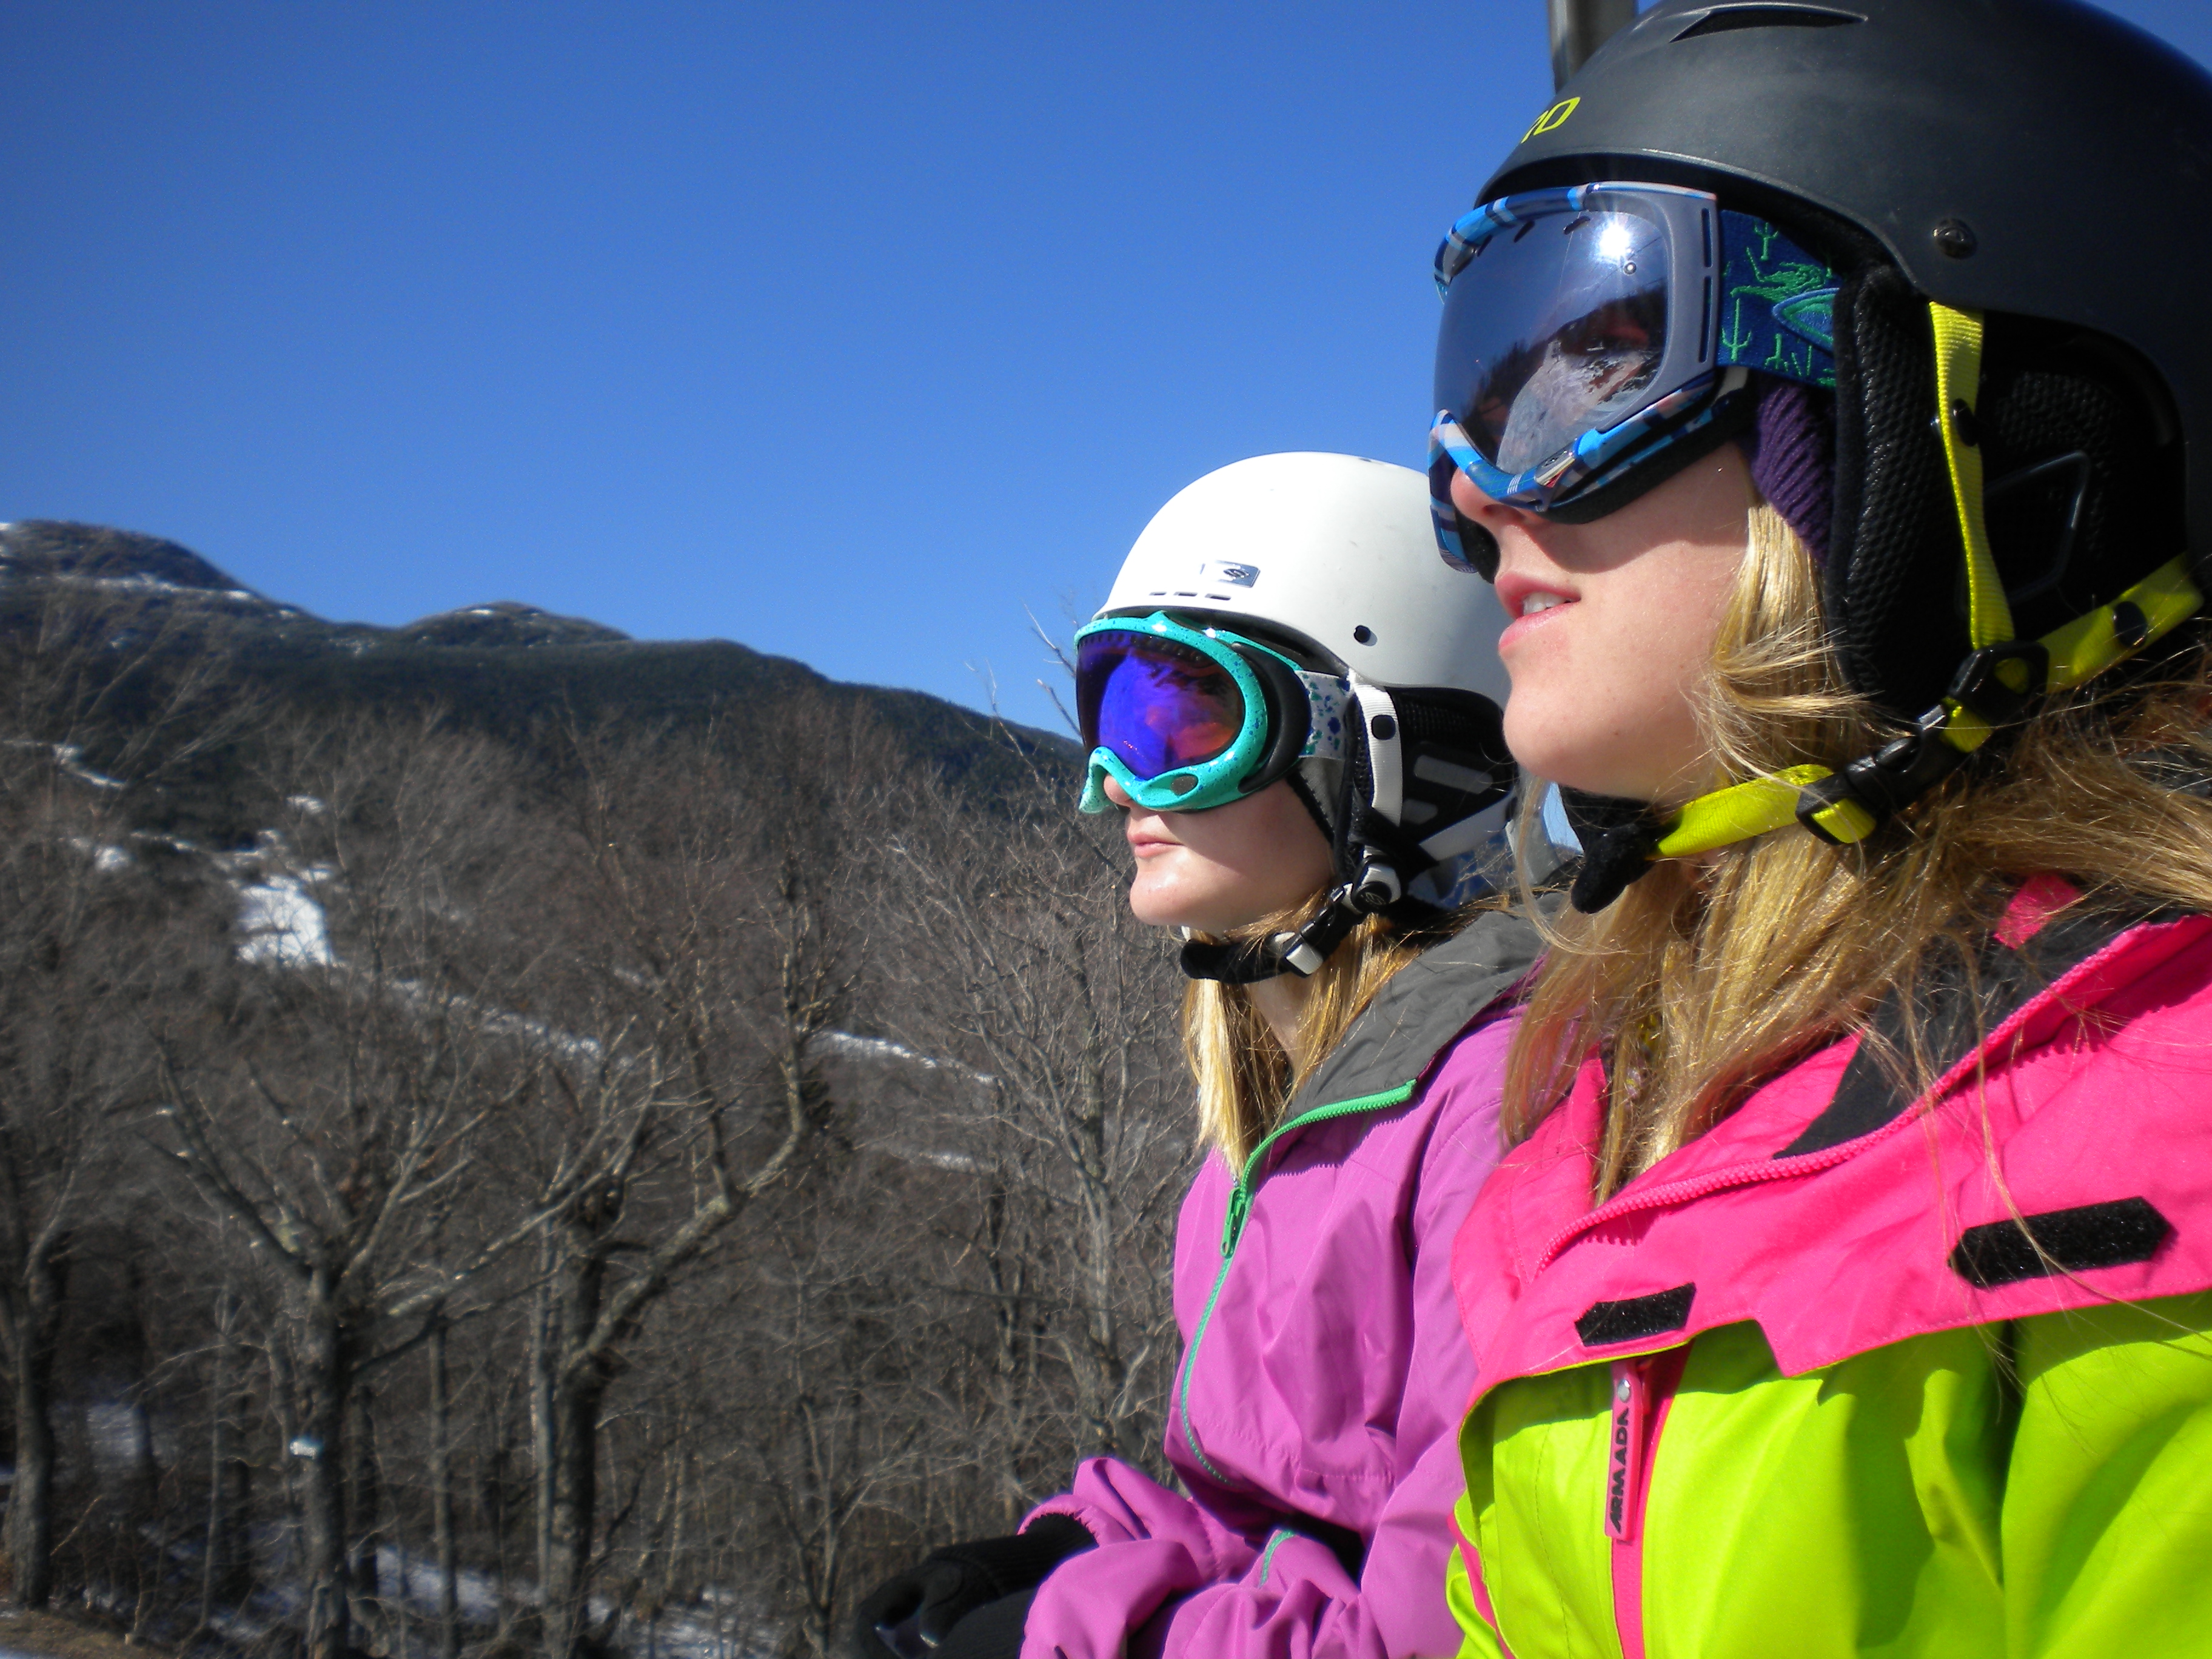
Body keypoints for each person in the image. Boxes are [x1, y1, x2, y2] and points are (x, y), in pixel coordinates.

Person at [1421, 2, 2212, 1654]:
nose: (1476, 492)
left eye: (1593, 358)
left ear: (1945, 420)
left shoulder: (2167, 1120)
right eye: (1483, 385)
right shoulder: (1595, 1117)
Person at [846, 452, 1539, 1659]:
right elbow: (1271, 1510)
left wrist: (1082, 1635)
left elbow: (1445, 1626)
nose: (1114, 783)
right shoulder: (1272, 1114)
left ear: (1386, 751)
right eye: (1109, 713)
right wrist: (1078, 1549)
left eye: (1182, 718)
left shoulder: (1498, 1106)